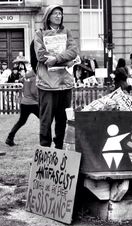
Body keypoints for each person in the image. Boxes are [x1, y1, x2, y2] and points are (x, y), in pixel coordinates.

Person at [34, 4, 78, 149]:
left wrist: (56, 59)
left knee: (62, 120)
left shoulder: (67, 32)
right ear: (48, 16)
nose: (59, 16)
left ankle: (59, 149)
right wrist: (65, 59)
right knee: (46, 121)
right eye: (55, 13)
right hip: (47, 85)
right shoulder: (39, 34)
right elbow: (41, 56)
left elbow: (73, 52)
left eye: (60, 13)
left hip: (65, 83)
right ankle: (45, 150)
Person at [5, 70, 39, 146]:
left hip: (24, 103)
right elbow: (34, 91)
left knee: (21, 122)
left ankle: (9, 138)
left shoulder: (26, 77)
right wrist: (38, 99)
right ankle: (46, 138)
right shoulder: (35, 77)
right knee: (45, 120)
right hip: (33, 103)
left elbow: (23, 89)